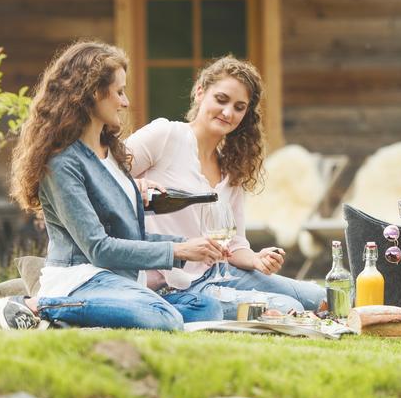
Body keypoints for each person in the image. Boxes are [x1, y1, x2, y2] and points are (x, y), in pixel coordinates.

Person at [3, 41, 225, 330]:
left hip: (121, 281)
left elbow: (131, 235)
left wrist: (191, 246)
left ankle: (97, 314)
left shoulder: (112, 153)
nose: (126, 102)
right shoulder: (62, 163)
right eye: (119, 92)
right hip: (80, 279)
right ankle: (36, 304)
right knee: (163, 318)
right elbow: (98, 248)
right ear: (93, 93)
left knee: (207, 308)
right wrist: (176, 252)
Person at [127, 56, 325, 319]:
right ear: (199, 92)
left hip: (219, 274)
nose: (228, 112)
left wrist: (255, 259)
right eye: (221, 100)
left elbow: (234, 244)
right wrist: (135, 184)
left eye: (239, 107)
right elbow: (103, 176)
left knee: (319, 297)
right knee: (291, 308)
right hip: (172, 284)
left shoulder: (232, 167)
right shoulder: (165, 136)